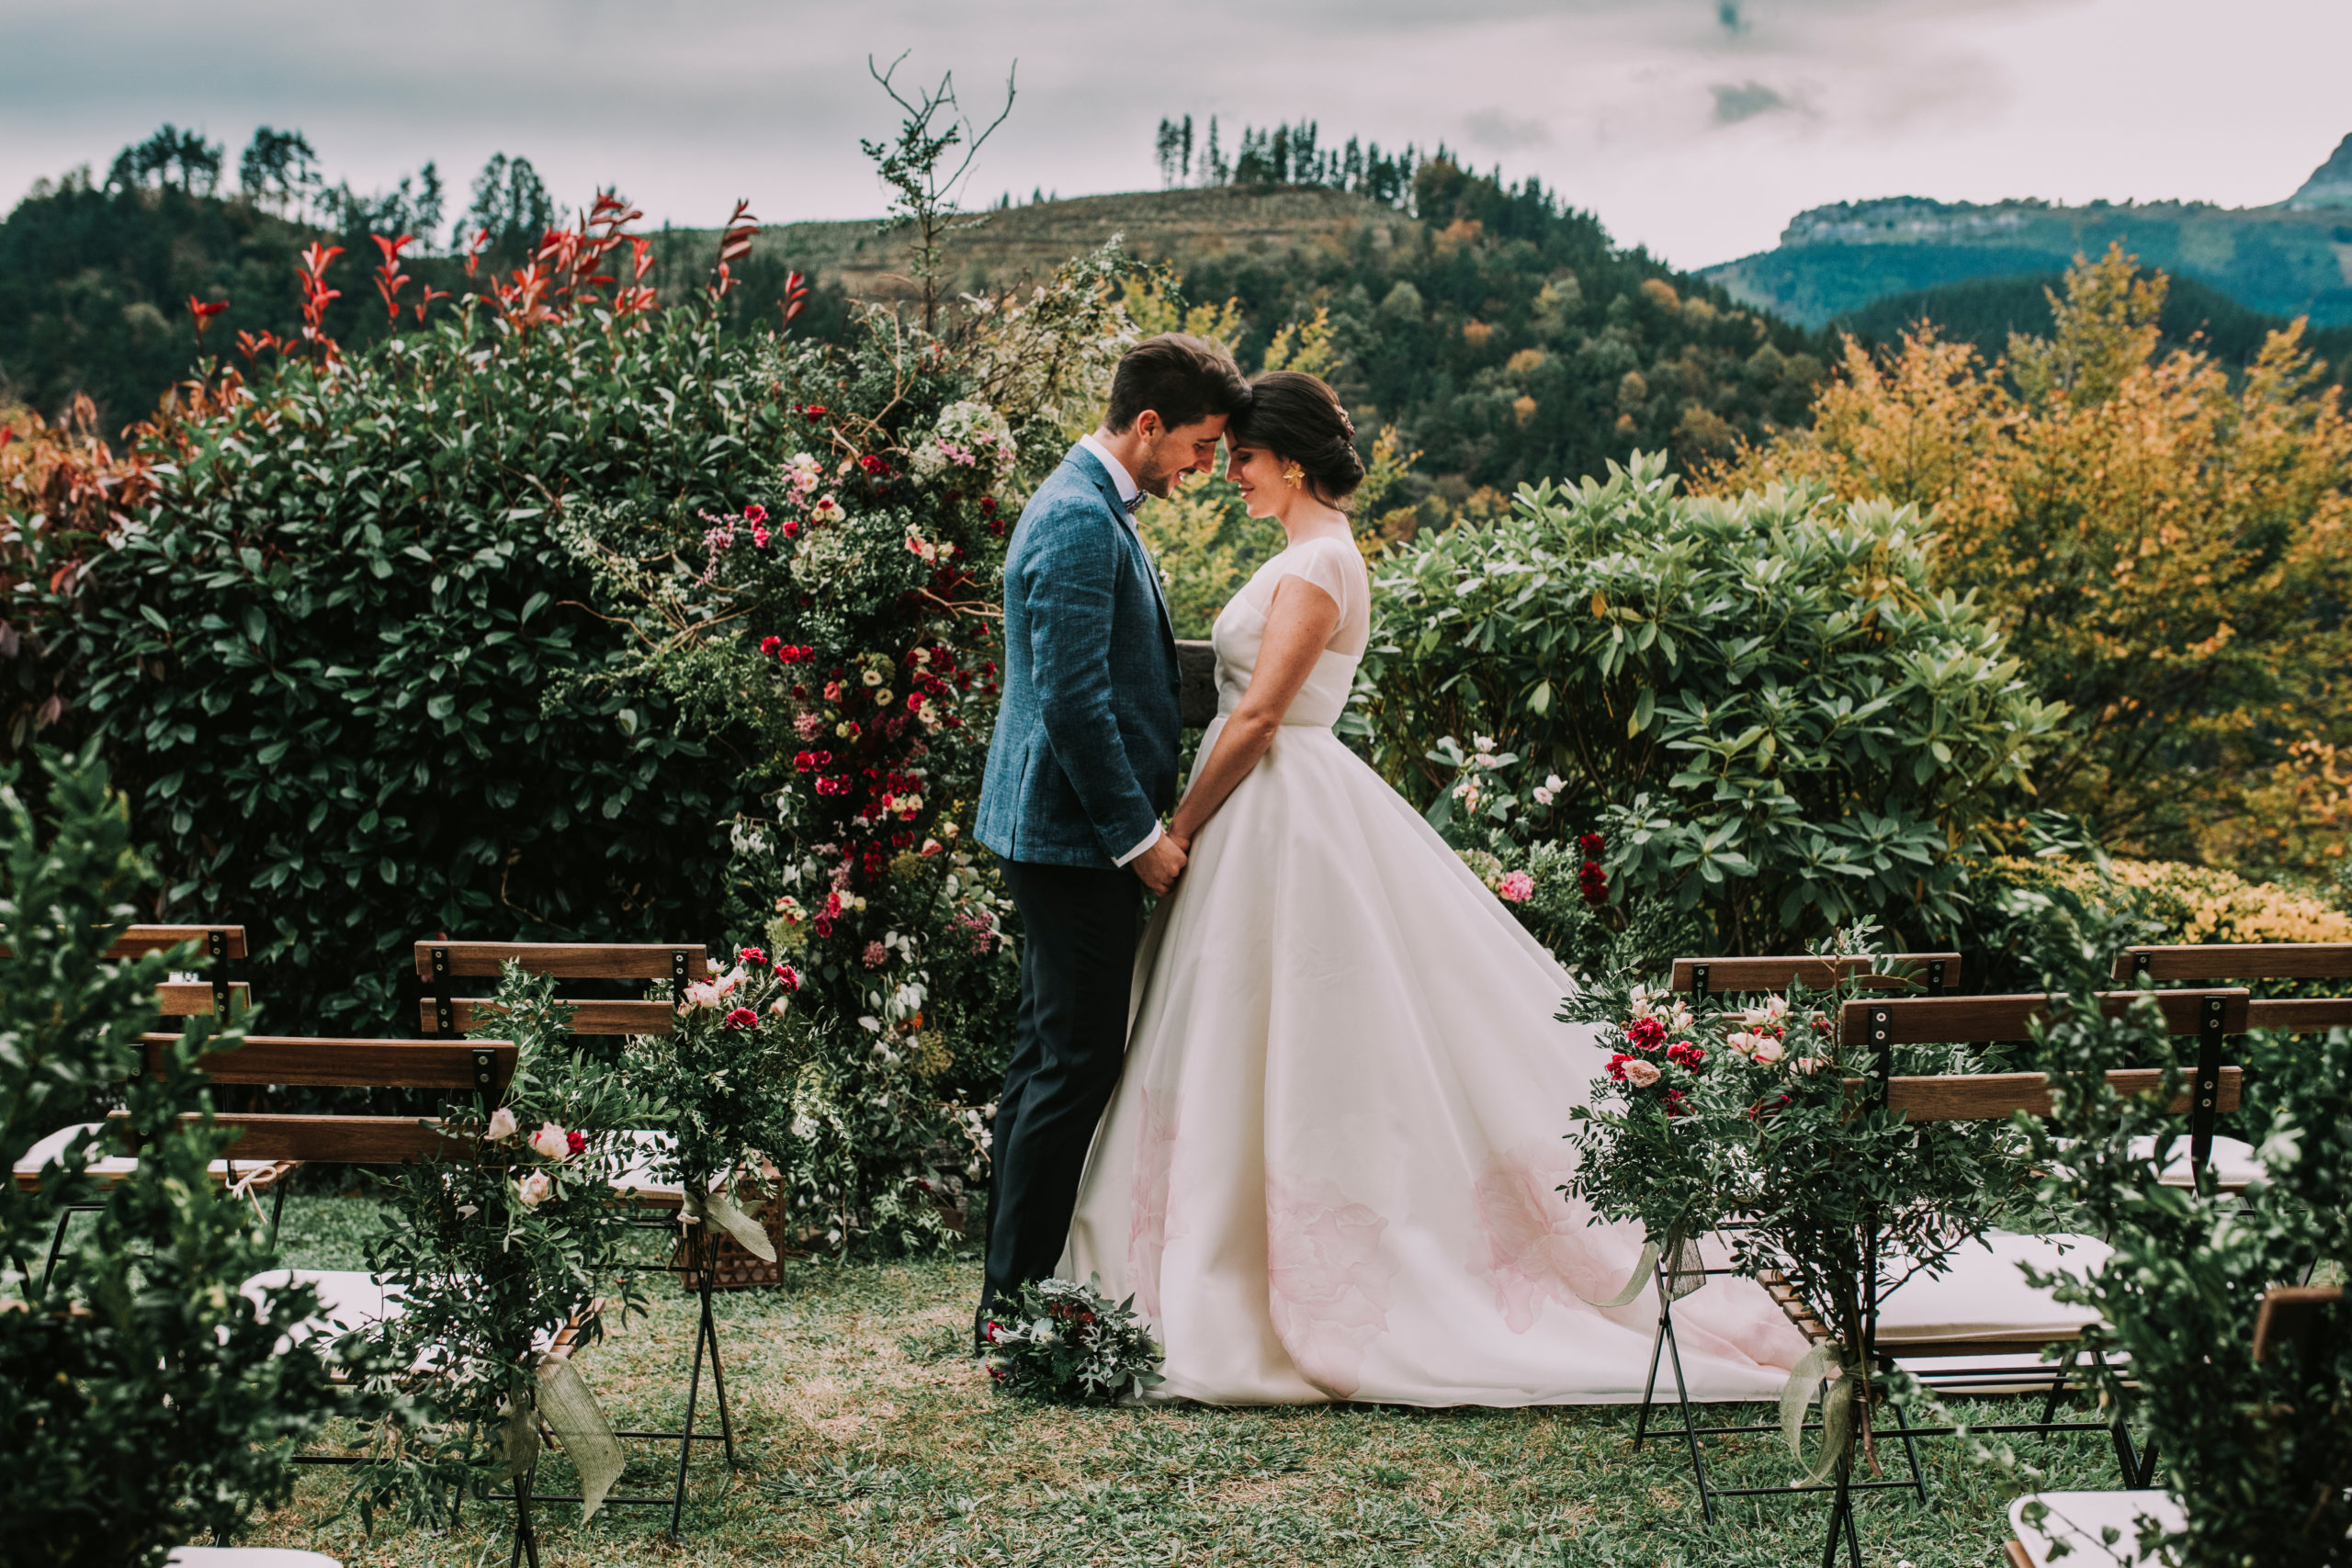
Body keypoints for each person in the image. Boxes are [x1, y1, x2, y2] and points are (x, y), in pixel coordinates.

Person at [1058, 370, 1806, 1404]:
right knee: (1236, 1030)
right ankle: (1207, 1246)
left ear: (1293, 460)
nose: (1229, 474)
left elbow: (1261, 716)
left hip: (1283, 809)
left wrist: (1174, 830)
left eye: (1243, 458)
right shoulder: (1303, 555)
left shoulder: (1321, 563)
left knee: (1295, 1034)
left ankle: (1285, 1266)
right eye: (1224, 457)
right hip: (1268, 814)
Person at [972, 333, 1250, 1350]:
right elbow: (1074, 703)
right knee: (1074, 1063)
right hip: (1072, 838)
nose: (1200, 467)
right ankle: (1016, 1307)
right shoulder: (1081, 521)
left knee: (1047, 1055)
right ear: (1147, 425)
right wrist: (1139, 840)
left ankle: (1008, 1297)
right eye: (1197, 445)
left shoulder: (1088, 506)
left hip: (1058, 832)